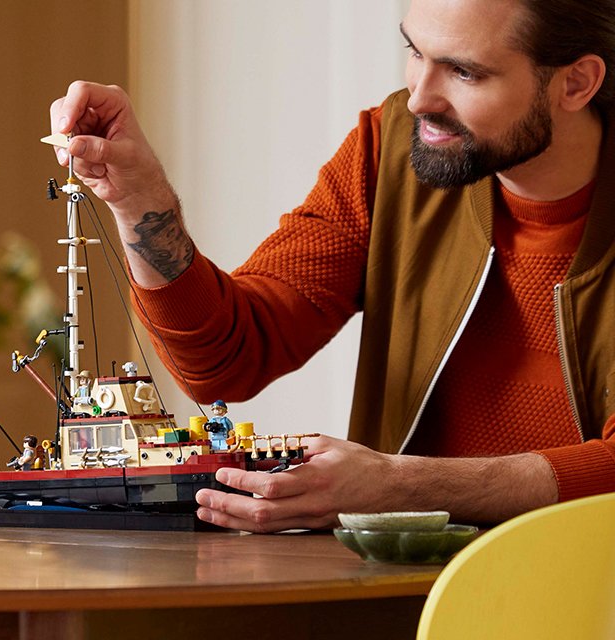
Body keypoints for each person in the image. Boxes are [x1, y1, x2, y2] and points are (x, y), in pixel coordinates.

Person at [48, 0, 615, 532]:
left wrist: (400, 485)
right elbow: (228, 357)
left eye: (465, 73)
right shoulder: (389, 150)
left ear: (576, 82)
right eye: (415, 53)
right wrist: (140, 199)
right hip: (399, 590)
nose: (420, 98)